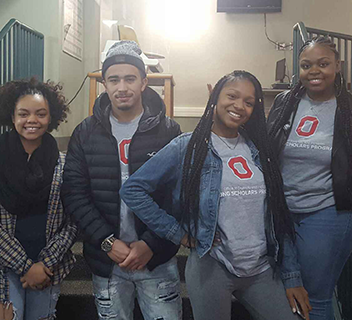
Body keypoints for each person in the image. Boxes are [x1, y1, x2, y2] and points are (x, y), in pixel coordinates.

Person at [120, 70, 311, 320]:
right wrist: (179, 234)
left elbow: (279, 218)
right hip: (213, 266)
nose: (239, 106)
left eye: (249, 102)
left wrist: (292, 276)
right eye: (232, 96)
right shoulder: (187, 146)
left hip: (262, 268)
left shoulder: (260, 149)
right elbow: (133, 190)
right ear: (215, 97)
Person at [267, 37, 352, 320]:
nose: (314, 71)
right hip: (284, 213)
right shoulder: (284, 102)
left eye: (323, 64)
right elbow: (266, 151)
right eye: (306, 65)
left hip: (329, 212)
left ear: (337, 66)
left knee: (315, 298)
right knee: (290, 292)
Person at [62, 41, 183, 320]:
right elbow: (75, 194)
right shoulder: (85, 133)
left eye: (130, 79)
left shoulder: (168, 131)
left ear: (143, 82)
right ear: (104, 83)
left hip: (157, 260)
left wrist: (150, 244)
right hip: (107, 262)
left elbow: (177, 195)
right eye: (114, 80)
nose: (122, 87)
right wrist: (107, 242)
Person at [0, 78, 77, 320]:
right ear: (12, 116)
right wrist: (26, 266)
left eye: (41, 114)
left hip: (47, 267)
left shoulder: (64, 163)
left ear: (51, 117)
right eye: (23, 114)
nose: (32, 121)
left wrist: (44, 263)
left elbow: (72, 221)